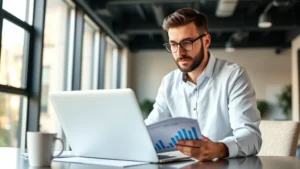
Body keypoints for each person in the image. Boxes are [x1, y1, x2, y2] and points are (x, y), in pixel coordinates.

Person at [144, 8, 262, 161]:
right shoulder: (169, 83)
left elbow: (252, 137)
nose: (179, 52)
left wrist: (219, 149)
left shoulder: (233, 76)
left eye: (187, 42)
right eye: (173, 44)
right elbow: (151, 128)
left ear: (206, 41)